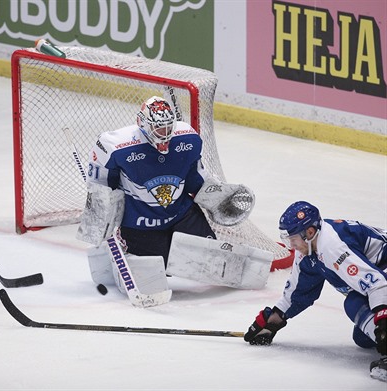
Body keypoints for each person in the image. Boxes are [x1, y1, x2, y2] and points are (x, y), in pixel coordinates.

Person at [76, 96, 260, 301]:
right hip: (141, 225)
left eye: (167, 127)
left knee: (215, 266)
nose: (164, 134)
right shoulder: (116, 146)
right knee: (153, 276)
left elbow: (194, 176)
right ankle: (116, 263)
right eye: (158, 128)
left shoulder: (187, 139)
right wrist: (102, 217)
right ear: (142, 123)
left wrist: (217, 197)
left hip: (182, 216)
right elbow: (102, 185)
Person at [244, 201, 387, 382]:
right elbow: (298, 292)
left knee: (355, 304)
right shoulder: (309, 248)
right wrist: (274, 318)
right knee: (364, 338)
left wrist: (383, 317)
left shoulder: (333, 245)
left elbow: (378, 284)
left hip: (383, 280)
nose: (290, 244)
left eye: (292, 238)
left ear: (309, 232)